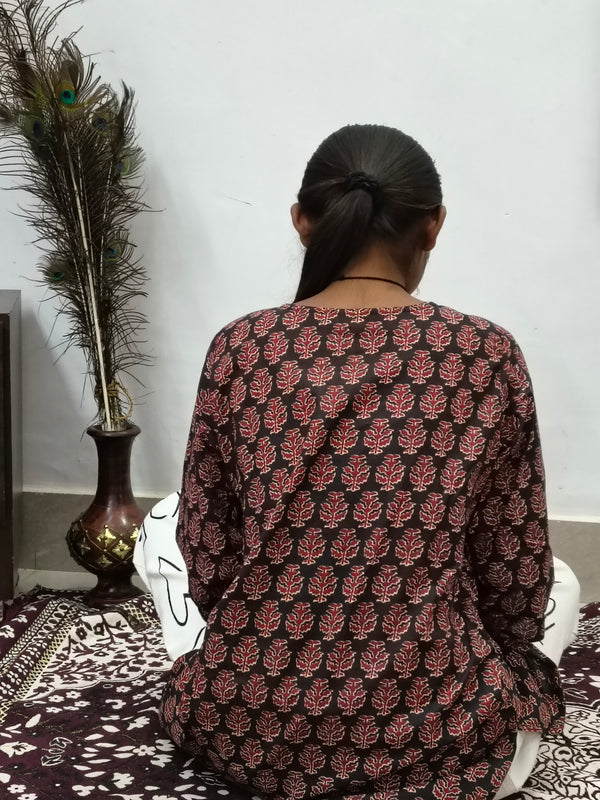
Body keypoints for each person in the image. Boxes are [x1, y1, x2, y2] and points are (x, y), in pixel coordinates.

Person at [136, 124, 580, 800]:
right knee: (563, 580)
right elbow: (515, 580)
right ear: (432, 227)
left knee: (163, 524)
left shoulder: (240, 348)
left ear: (301, 221)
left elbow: (210, 559)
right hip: (444, 744)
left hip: (251, 732)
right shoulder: (485, 355)